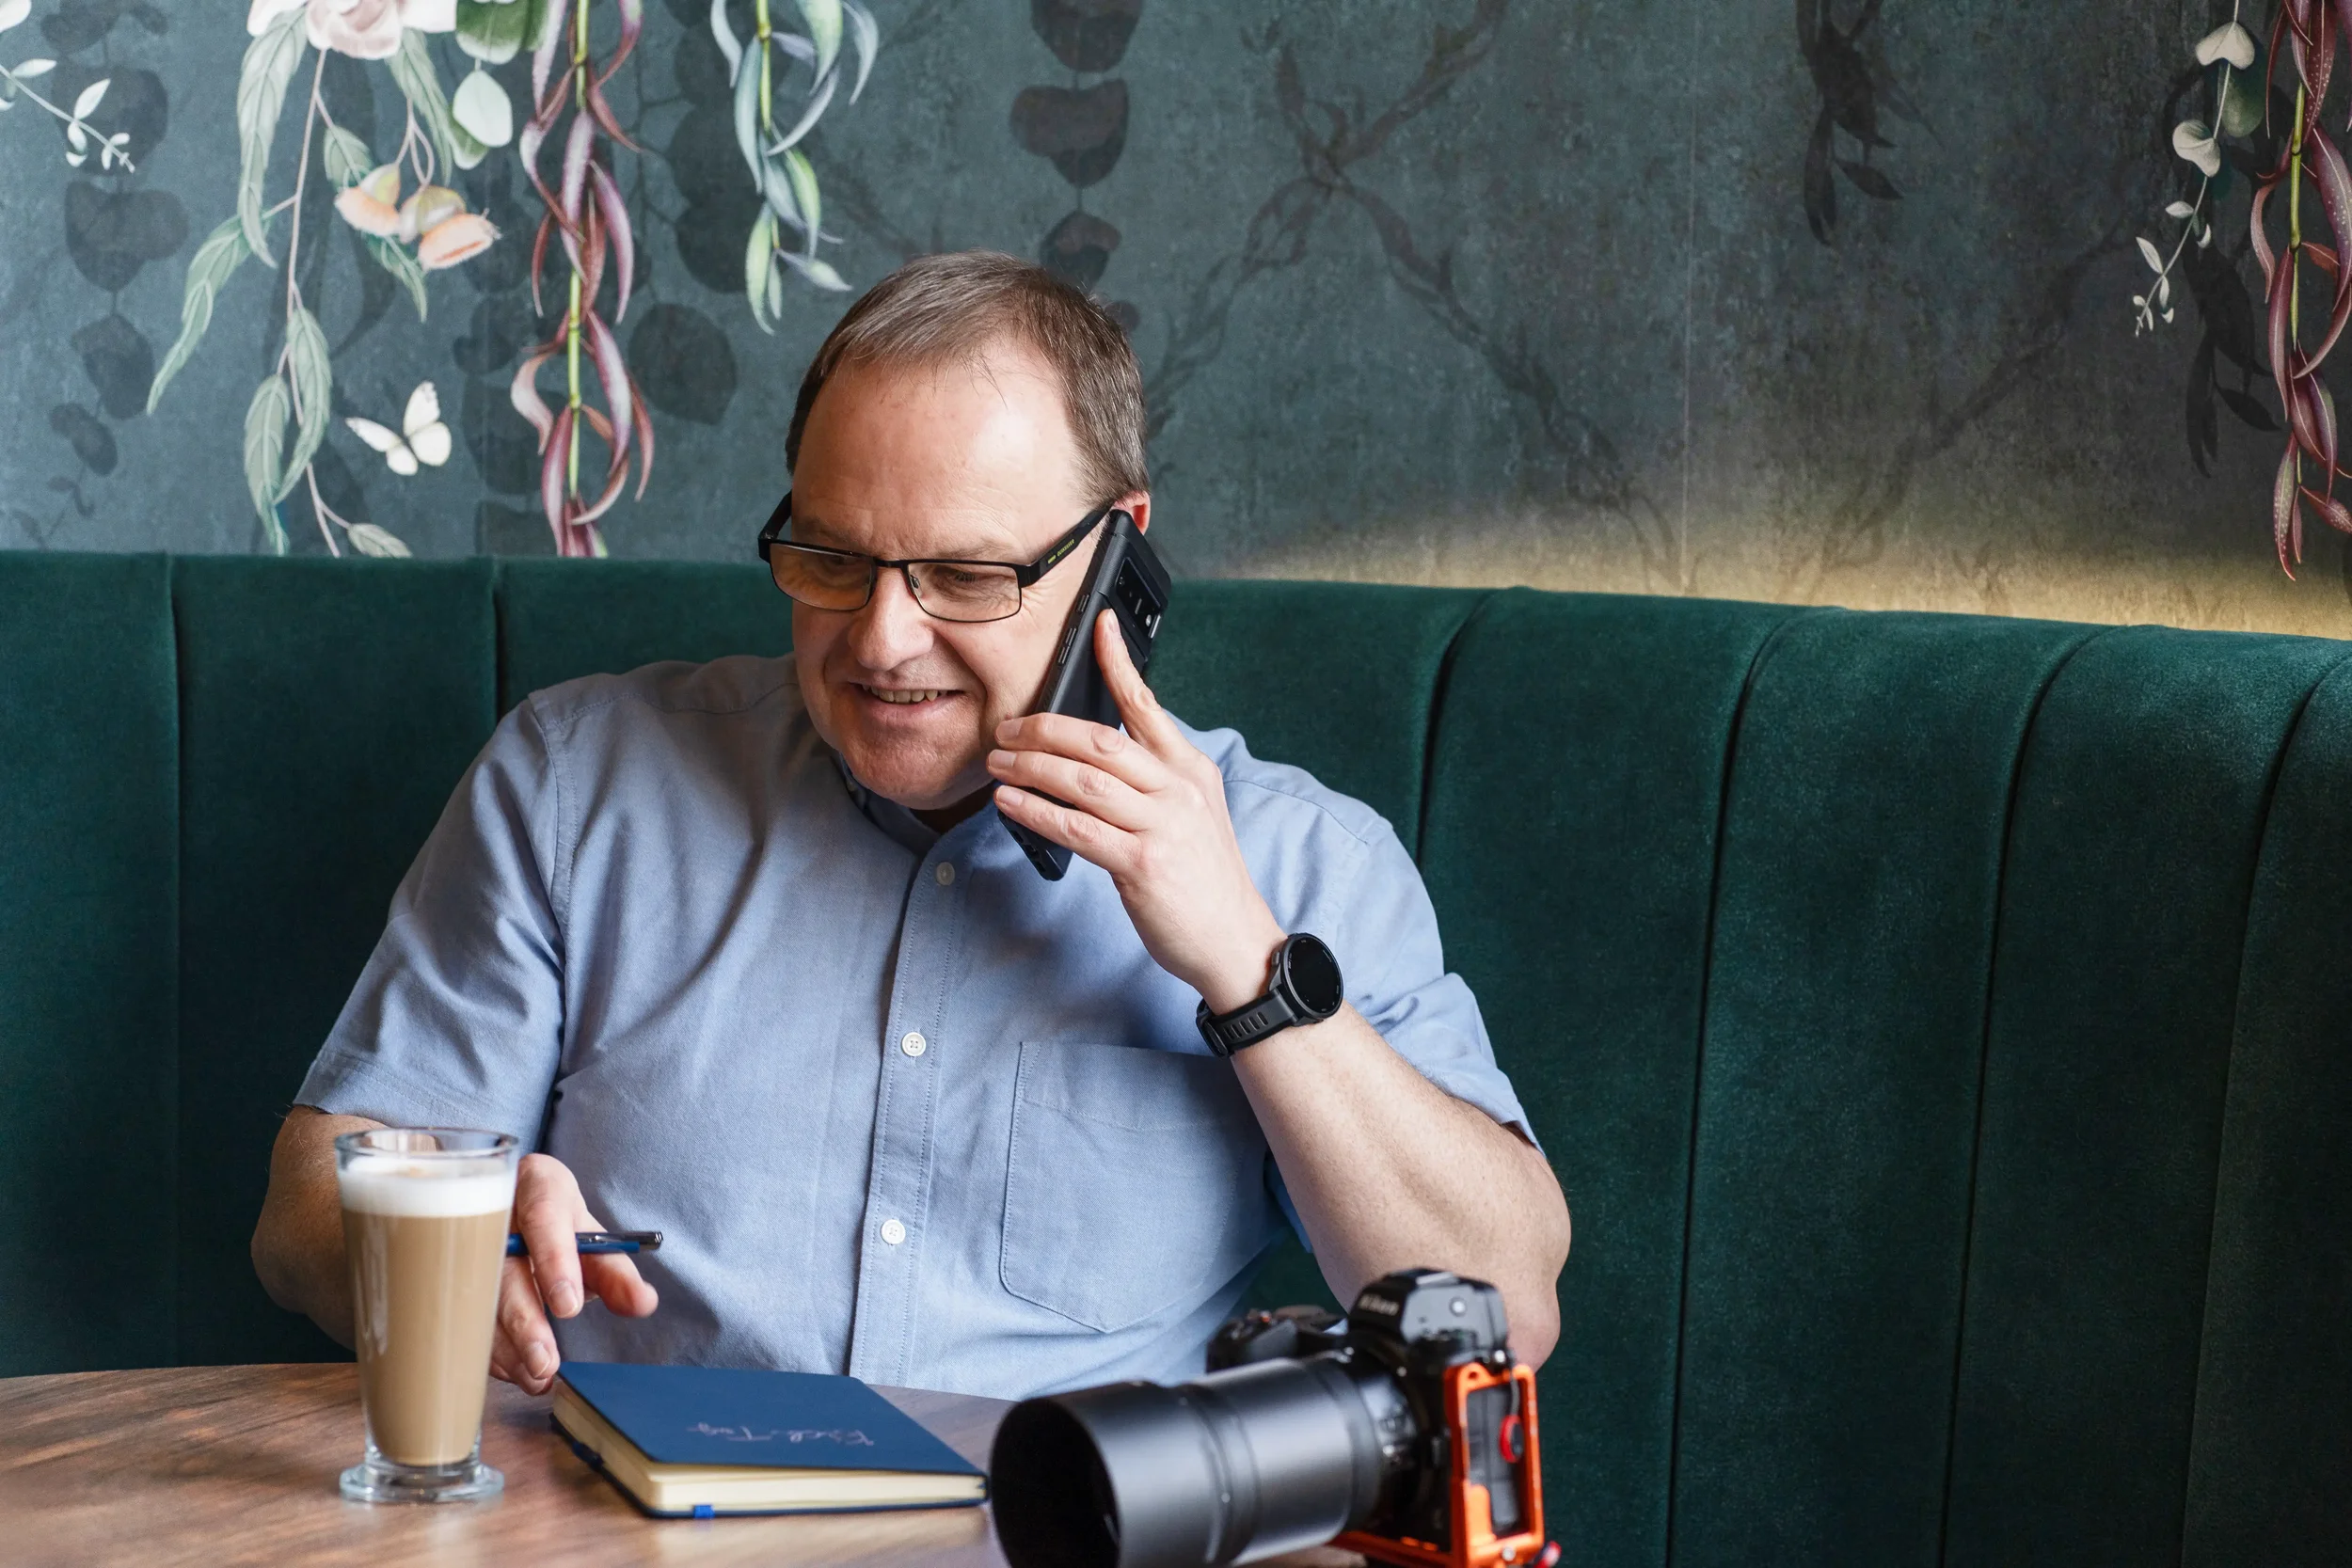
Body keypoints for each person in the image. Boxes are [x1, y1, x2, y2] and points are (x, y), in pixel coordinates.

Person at [251, 251, 1571, 1401]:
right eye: (830, 559)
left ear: (1118, 550)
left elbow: (1503, 1313)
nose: (882, 641)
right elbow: (302, 1214)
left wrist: (1248, 969)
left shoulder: (1301, 867)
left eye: (965, 574)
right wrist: (434, 1237)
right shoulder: (575, 783)